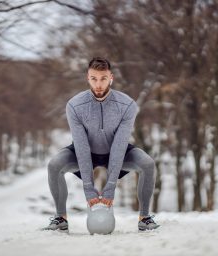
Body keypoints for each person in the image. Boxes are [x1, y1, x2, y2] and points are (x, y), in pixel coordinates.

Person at [45, 57, 159, 232]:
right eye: (94, 78)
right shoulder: (74, 106)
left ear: (111, 77)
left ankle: (144, 217)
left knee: (147, 163)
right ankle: (61, 218)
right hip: (85, 151)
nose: (98, 84)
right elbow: (81, 147)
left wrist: (110, 186)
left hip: (116, 149)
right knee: (54, 165)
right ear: (87, 78)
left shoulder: (127, 105)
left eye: (103, 78)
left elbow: (119, 146)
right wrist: (89, 189)